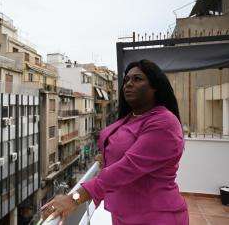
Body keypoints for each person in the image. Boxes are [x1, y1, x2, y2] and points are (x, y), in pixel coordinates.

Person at [40, 60, 188, 225]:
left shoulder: (164, 122)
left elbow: (127, 168)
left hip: (156, 216)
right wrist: (107, 156)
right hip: (123, 215)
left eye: (137, 79)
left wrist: (74, 198)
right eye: (126, 80)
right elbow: (120, 147)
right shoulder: (129, 119)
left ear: (155, 87)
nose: (128, 84)